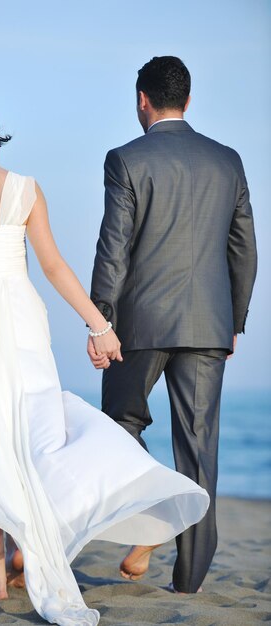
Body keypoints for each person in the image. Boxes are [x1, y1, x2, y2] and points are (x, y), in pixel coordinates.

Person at [0, 100, 210, 625]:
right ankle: (93, 508)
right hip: (20, 326)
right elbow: (54, 265)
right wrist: (99, 326)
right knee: (34, 437)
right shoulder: (27, 188)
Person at [89, 56, 257, 594]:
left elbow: (112, 248)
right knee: (199, 447)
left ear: (143, 99)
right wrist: (235, 320)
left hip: (138, 324)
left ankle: (161, 507)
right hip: (210, 323)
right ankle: (188, 586)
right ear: (188, 99)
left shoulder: (126, 159)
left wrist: (99, 319)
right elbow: (244, 250)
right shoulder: (228, 161)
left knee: (118, 426)